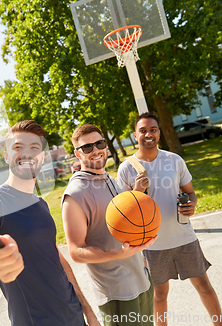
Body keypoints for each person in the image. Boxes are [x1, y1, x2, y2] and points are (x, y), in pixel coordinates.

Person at [0, 120, 99, 326]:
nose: (27, 154)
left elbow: (55, 257)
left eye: (35, 148)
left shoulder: (40, 203)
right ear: (6, 155)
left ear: (42, 156)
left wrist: (87, 310)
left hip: (73, 316)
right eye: (18, 147)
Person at [117, 112, 222, 326]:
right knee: (160, 295)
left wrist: (192, 204)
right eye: (143, 130)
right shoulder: (126, 168)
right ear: (134, 135)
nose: (148, 134)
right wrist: (137, 191)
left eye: (153, 129)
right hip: (151, 243)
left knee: (204, 285)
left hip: (184, 237)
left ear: (159, 132)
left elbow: (190, 192)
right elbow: (123, 213)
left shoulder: (174, 160)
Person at [61, 124, 157, 326]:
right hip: (117, 292)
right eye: (87, 148)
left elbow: (122, 223)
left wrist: (136, 194)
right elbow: (76, 251)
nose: (95, 150)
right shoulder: (75, 194)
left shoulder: (109, 180)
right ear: (78, 155)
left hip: (141, 279)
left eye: (99, 143)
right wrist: (119, 255)